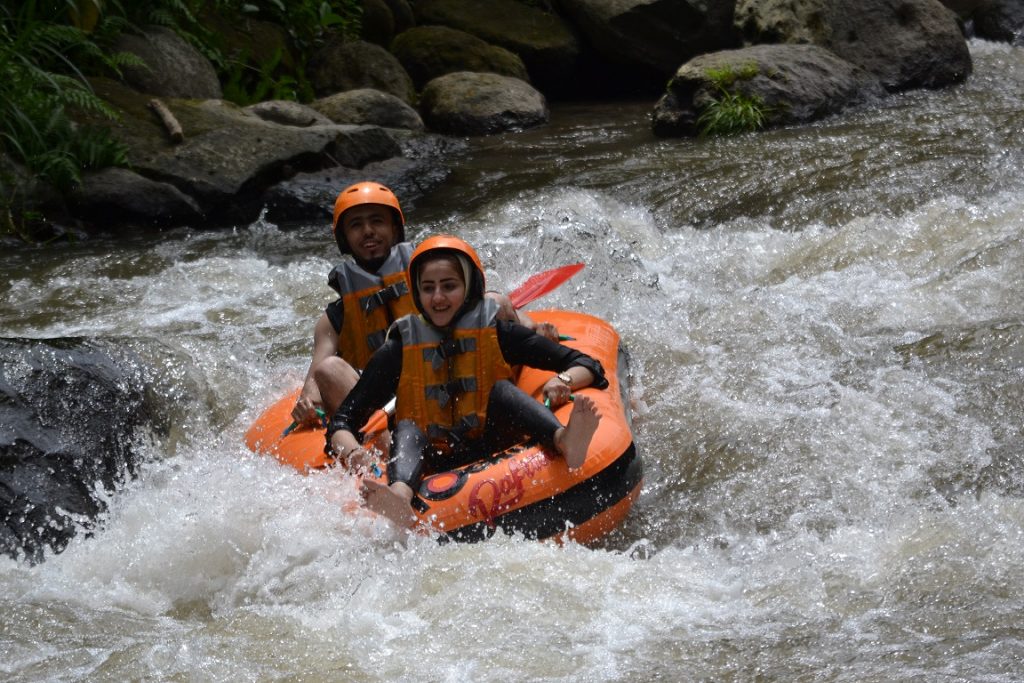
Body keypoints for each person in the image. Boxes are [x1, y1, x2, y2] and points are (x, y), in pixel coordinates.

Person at [326, 235, 605, 528]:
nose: (437, 298)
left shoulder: (498, 333)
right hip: (431, 459)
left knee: (501, 391)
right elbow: (343, 420)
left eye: (449, 286)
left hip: (497, 441)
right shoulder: (398, 349)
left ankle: (563, 440)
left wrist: (563, 380)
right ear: (416, 293)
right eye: (428, 288)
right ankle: (399, 495)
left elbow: (587, 364)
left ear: (469, 288)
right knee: (408, 425)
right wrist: (354, 452)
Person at [292, 182, 554, 428]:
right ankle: (385, 458)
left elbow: (492, 313)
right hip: (385, 411)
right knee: (329, 368)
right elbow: (315, 381)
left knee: (494, 301)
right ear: (344, 238)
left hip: (456, 383)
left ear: (395, 228)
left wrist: (532, 327)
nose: (368, 231)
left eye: (377, 221)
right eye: (356, 225)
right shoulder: (334, 319)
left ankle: (510, 406)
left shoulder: (432, 284)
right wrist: (307, 403)